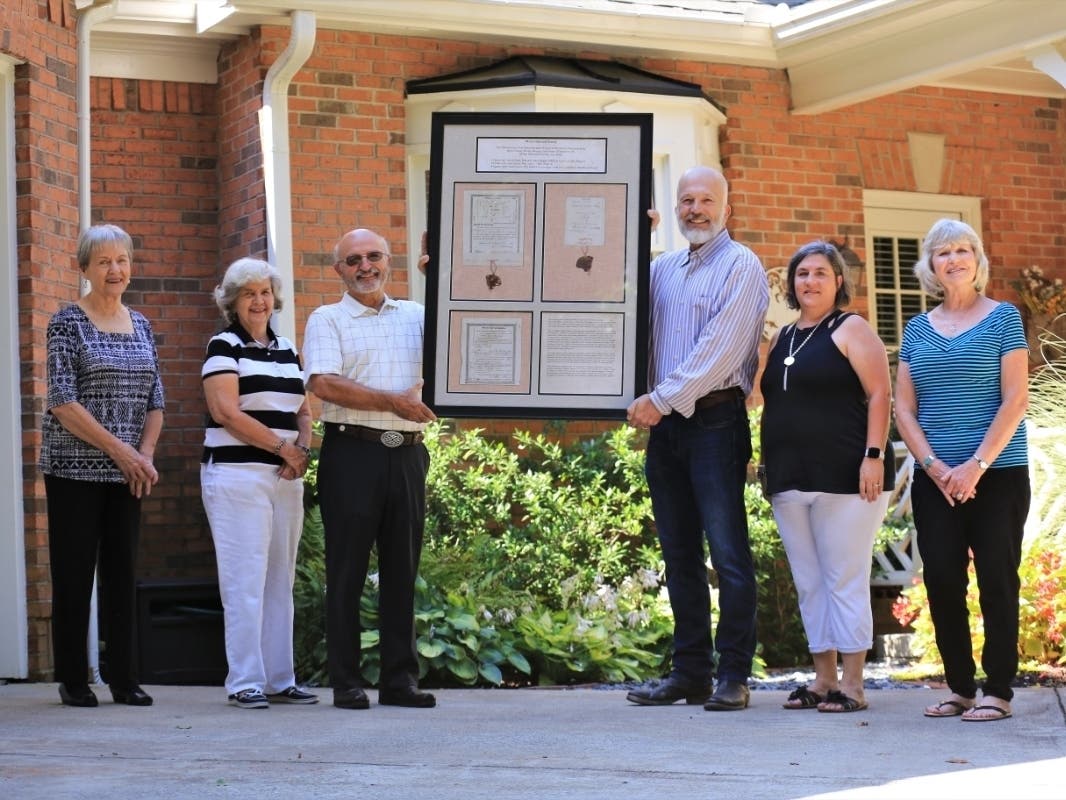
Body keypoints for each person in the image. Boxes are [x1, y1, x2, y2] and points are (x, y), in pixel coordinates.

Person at [625, 166, 769, 711]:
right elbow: (614, 312)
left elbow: (722, 351)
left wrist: (658, 401)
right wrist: (628, 238)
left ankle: (733, 674)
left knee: (728, 554)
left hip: (714, 423)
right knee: (678, 553)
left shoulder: (742, 266)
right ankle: (689, 673)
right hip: (667, 431)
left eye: (707, 199)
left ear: (726, 209)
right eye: (686, 200)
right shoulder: (662, 269)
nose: (695, 209)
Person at [894, 218, 1029, 722]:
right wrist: (933, 466)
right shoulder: (916, 328)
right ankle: (960, 688)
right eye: (942, 253)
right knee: (943, 580)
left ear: (977, 260)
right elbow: (904, 409)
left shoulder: (1003, 318)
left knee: (997, 578)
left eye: (962, 250)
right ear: (930, 266)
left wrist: (975, 465)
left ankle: (998, 690)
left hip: (996, 474)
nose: (953, 259)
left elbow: (1016, 399)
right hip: (936, 479)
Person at [303, 228, 438, 710]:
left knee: (403, 569)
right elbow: (324, 383)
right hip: (351, 454)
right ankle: (346, 681)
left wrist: (440, 275)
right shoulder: (327, 319)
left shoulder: (419, 317)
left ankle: (399, 681)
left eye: (374, 256)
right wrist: (393, 403)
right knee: (347, 570)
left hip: (406, 454)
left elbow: (461, 341)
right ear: (338, 268)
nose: (366, 266)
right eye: (354, 259)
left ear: (390, 261)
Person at [759, 241, 895, 714]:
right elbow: (768, 402)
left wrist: (873, 455)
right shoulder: (781, 338)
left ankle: (853, 684)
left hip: (847, 477)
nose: (809, 281)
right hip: (789, 478)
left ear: (838, 281)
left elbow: (880, 393)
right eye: (801, 274)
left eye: (820, 273)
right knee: (809, 581)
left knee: (844, 578)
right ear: (792, 284)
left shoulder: (850, 328)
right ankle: (822, 678)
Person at [40, 223, 164, 708]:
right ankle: (73, 679)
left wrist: (146, 455)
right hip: (74, 468)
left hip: (130, 470)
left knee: (122, 570)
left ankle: (124, 678)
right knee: (74, 573)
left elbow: (157, 398)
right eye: (104, 262)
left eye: (122, 260)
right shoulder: (67, 323)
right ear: (86, 269)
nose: (115, 270)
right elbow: (62, 401)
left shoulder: (143, 324)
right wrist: (123, 451)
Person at [200, 258, 317, 709]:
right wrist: (282, 449)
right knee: (244, 580)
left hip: (286, 477)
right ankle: (244, 681)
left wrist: (300, 452)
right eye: (249, 293)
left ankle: (280, 678)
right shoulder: (223, 345)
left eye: (265, 291)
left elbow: (303, 411)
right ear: (232, 301)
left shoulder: (287, 348)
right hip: (237, 477)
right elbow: (227, 412)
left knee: (278, 580)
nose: (259, 300)